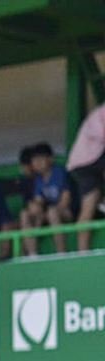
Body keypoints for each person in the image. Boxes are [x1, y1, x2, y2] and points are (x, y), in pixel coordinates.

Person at [67, 101, 105, 251]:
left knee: (90, 202)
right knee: (89, 203)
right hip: (89, 161)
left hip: (84, 163)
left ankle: (83, 252)